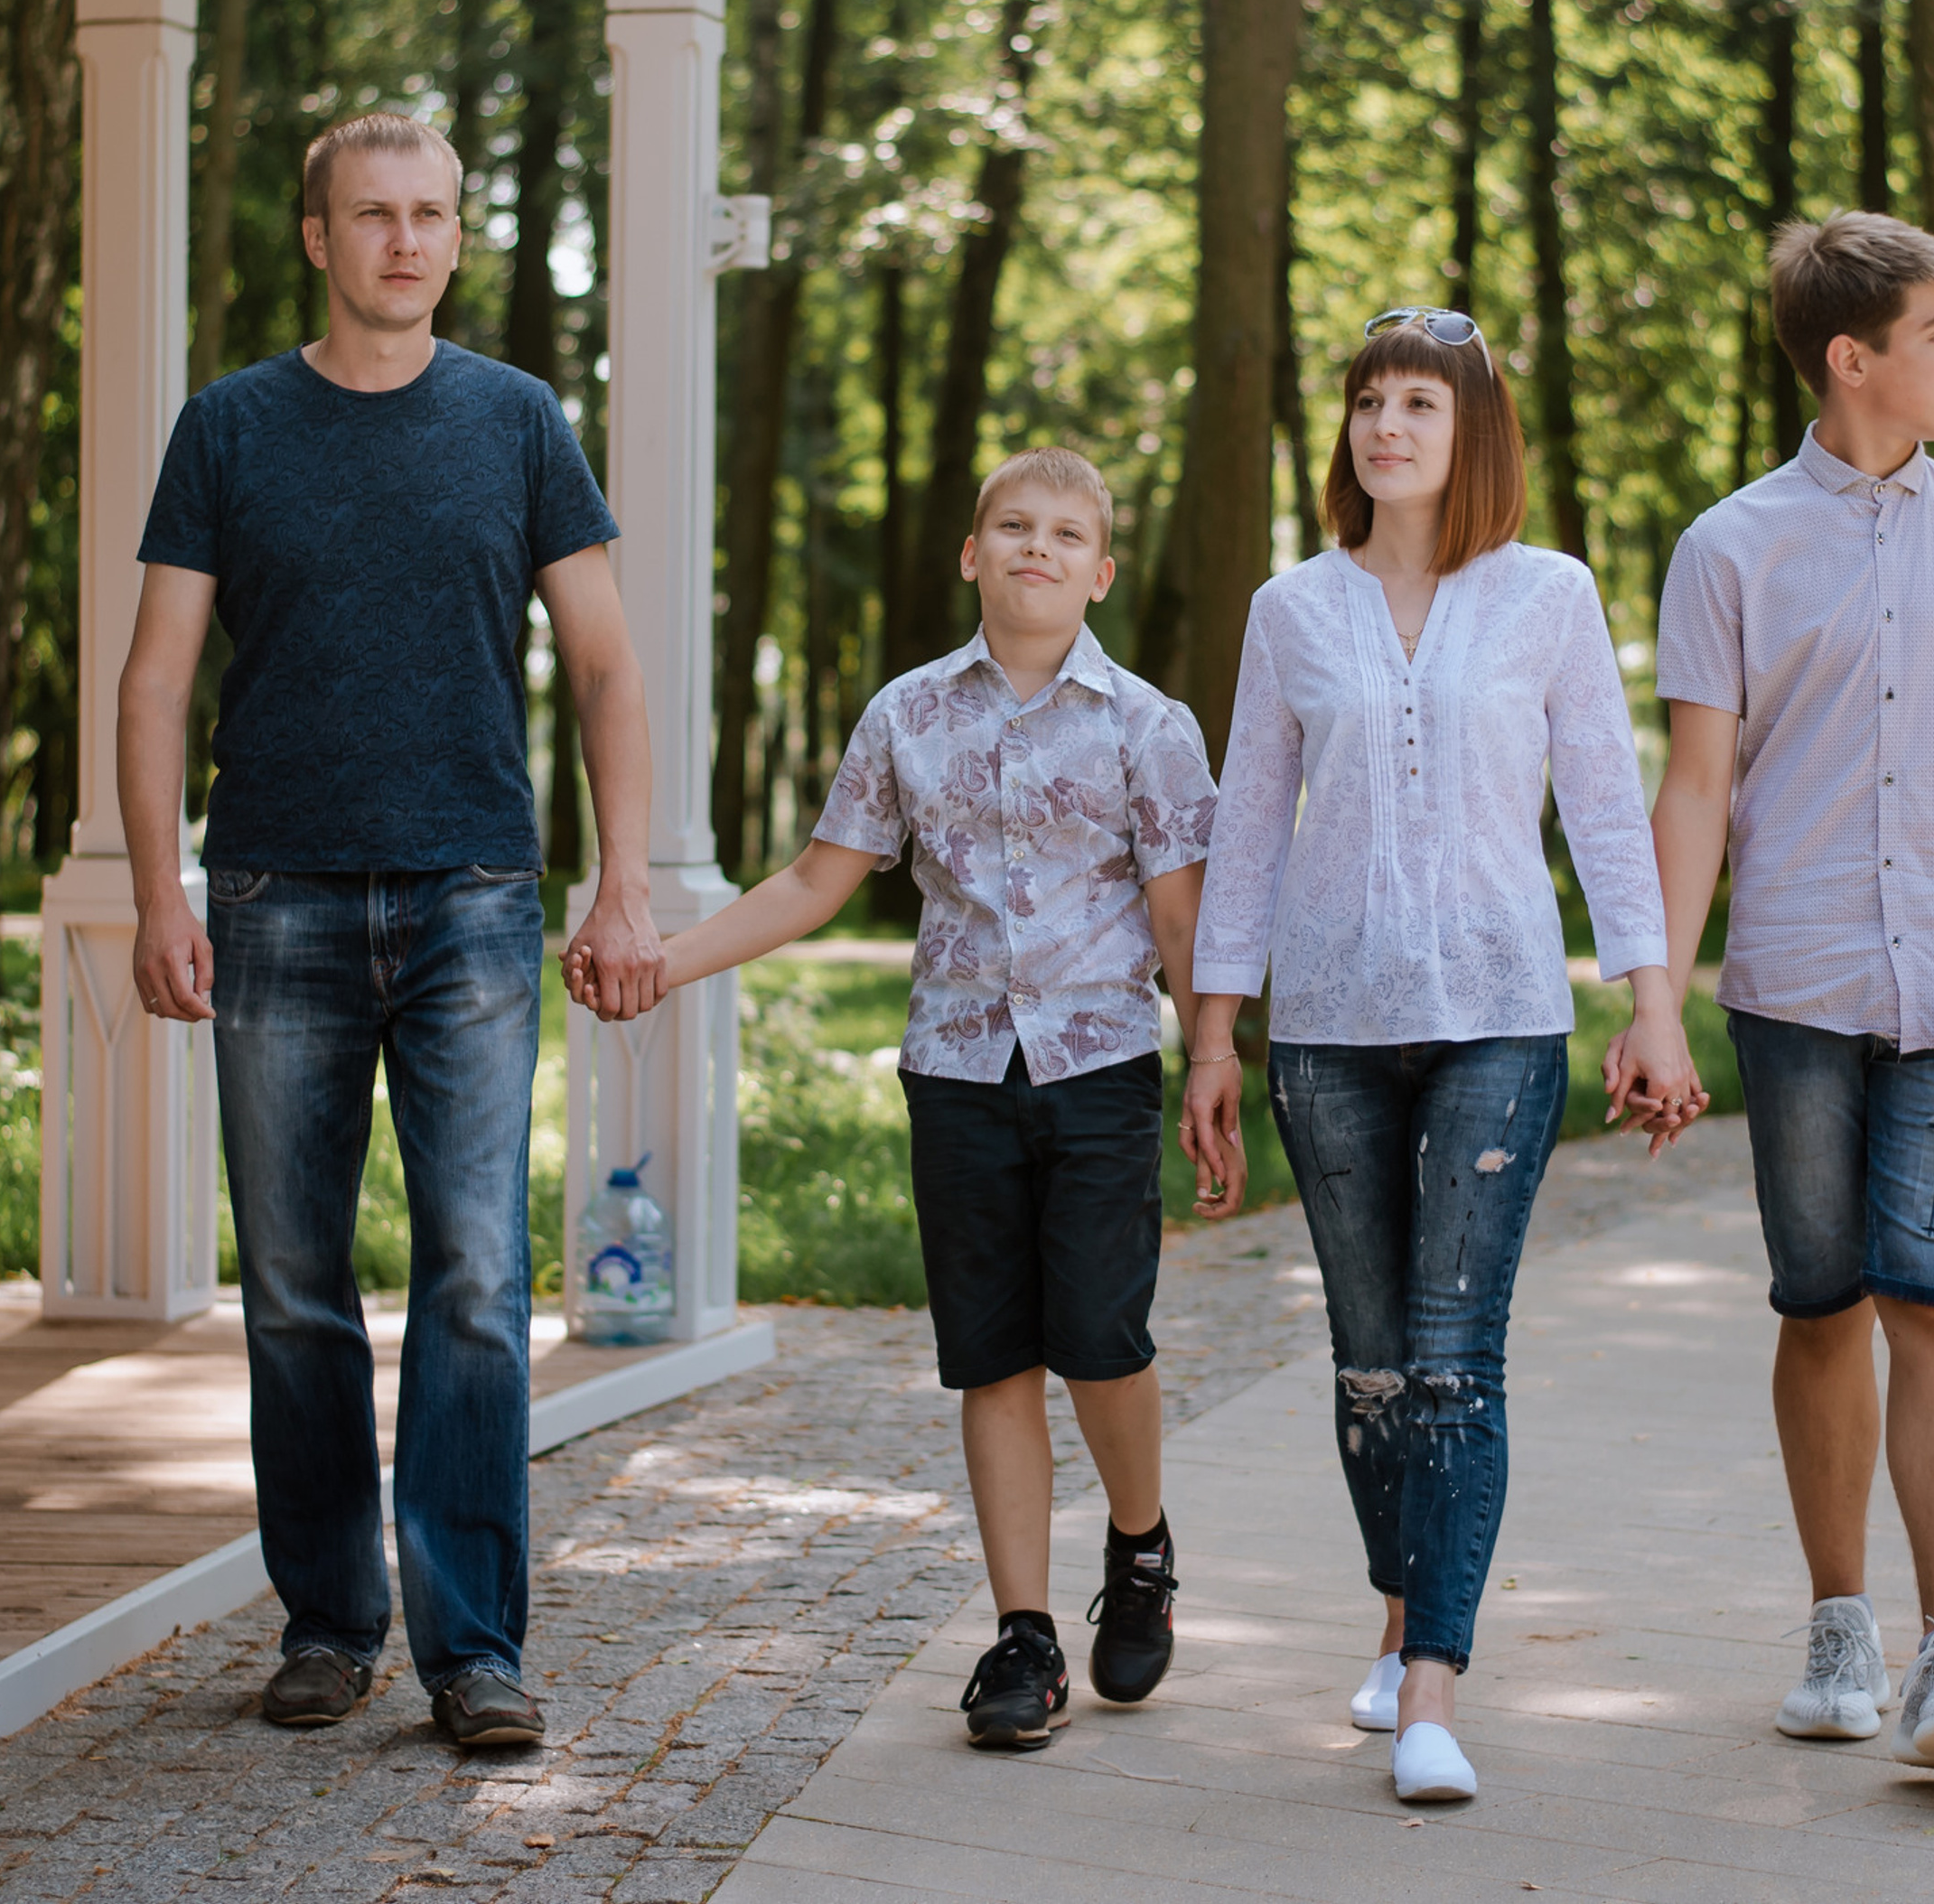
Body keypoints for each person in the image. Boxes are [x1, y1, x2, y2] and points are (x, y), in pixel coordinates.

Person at [118, 111, 665, 1746]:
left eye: (431, 215)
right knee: (292, 1285)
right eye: (373, 216)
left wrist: (620, 877)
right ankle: (328, 1619)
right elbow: (156, 678)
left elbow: (609, 666)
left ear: (456, 235)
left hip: (473, 904)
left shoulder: (517, 421)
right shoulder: (229, 428)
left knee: (480, 1276)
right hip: (275, 896)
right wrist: (163, 888)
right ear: (318, 238)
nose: (405, 243)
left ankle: (473, 1649)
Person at [568, 448, 1229, 1751]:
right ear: (970, 553)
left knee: (1101, 1338)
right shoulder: (906, 717)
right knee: (993, 1354)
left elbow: (1181, 913)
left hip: (1100, 1070)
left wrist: (1216, 1058)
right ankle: (1025, 1634)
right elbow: (816, 883)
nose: (1036, 548)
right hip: (958, 1074)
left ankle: (1141, 1543)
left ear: (1100, 573)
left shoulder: (1151, 727)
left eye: (1065, 534)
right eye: (1012, 526)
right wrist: (664, 961)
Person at [1182, 308, 1699, 1806]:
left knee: (1456, 1358)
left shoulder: (1549, 597)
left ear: (1472, 432)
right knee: (1373, 1365)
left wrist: (1649, 1004)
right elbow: (1245, 836)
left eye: (1418, 403)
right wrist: (1215, 1033)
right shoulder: (1291, 610)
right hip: (1328, 1033)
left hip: (1500, 1016)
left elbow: (1608, 812)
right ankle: (1402, 1606)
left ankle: (1432, 1689)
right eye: (1367, 403)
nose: (1386, 427)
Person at [1646, 210, 1934, 1762]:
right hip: (1803, 978)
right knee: (1823, 1301)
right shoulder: (1731, 545)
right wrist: (1658, 996)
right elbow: (1695, 788)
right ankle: (1839, 1620)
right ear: (1855, 354)